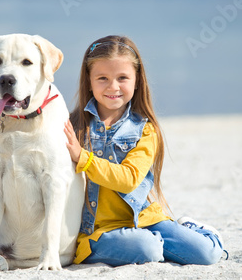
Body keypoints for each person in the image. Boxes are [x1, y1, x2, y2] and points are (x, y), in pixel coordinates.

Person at [64, 35, 226, 267]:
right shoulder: (74, 127)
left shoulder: (146, 130)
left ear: (137, 80)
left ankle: (191, 229)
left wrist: (83, 158)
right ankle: (152, 244)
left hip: (145, 218)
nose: (113, 87)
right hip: (98, 231)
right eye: (102, 78)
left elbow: (129, 180)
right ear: (88, 81)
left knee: (207, 253)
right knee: (147, 248)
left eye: (122, 78)